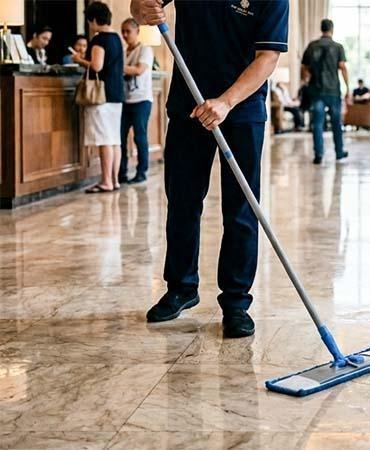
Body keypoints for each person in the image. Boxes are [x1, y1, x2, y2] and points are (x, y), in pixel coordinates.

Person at [131, 0, 287, 338]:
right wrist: (143, 10)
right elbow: (139, 8)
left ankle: (235, 302)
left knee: (241, 209)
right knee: (183, 201)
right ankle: (181, 288)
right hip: (188, 105)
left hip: (242, 109)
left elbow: (268, 58)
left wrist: (226, 101)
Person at [72, 3, 125, 194]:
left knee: (104, 139)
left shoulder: (99, 40)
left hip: (101, 95)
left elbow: (96, 66)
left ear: (94, 20)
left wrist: (79, 60)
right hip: (117, 94)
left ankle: (105, 181)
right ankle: (115, 180)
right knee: (114, 140)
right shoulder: (117, 38)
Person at [302, 19, 350, 165]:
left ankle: (319, 154)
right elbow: (342, 67)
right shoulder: (338, 47)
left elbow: (304, 67)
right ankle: (339, 153)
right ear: (332, 29)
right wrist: (348, 88)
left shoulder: (312, 46)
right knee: (336, 123)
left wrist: (307, 78)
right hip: (333, 91)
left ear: (321, 29)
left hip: (316, 90)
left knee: (317, 123)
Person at [118, 18, 155, 184]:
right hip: (124, 100)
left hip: (141, 100)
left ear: (137, 31)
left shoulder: (145, 50)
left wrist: (114, 66)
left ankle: (141, 172)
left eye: (128, 31)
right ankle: (121, 173)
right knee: (120, 138)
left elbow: (139, 70)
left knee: (140, 137)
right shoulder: (123, 51)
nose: (125, 35)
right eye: (123, 31)